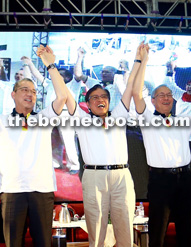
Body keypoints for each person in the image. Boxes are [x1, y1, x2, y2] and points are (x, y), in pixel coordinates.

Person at [0, 45, 70, 247]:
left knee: (44, 243)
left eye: (34, 91)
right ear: (13, 95)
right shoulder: (0, 121)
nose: (30, 94)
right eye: (24, 90)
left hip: (42, 190)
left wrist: (51, 65)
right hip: (12, 191)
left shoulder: (44, 118)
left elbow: (62, 97)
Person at [64, 44, 138, 247]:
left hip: (122, 175)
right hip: (94, 176)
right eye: (94, 98)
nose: (100, 100)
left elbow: (130, 87)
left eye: (104, 97)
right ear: (87, 103)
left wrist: (139, 61)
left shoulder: (118, 116)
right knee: (96, 230)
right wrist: (52, 65)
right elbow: (66, 94)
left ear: (109, 100)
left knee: (125, 227)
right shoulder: (81, 118)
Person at [131, 43, 191, 247]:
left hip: (185, 179)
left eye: (169, 95)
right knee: (158, 231)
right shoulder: (146, 118)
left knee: (185, 230)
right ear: (152, 101)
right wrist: (143, 61)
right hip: (159, 180)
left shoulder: (183, 121)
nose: (166, 98)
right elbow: (136, 93)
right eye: (161, 95)